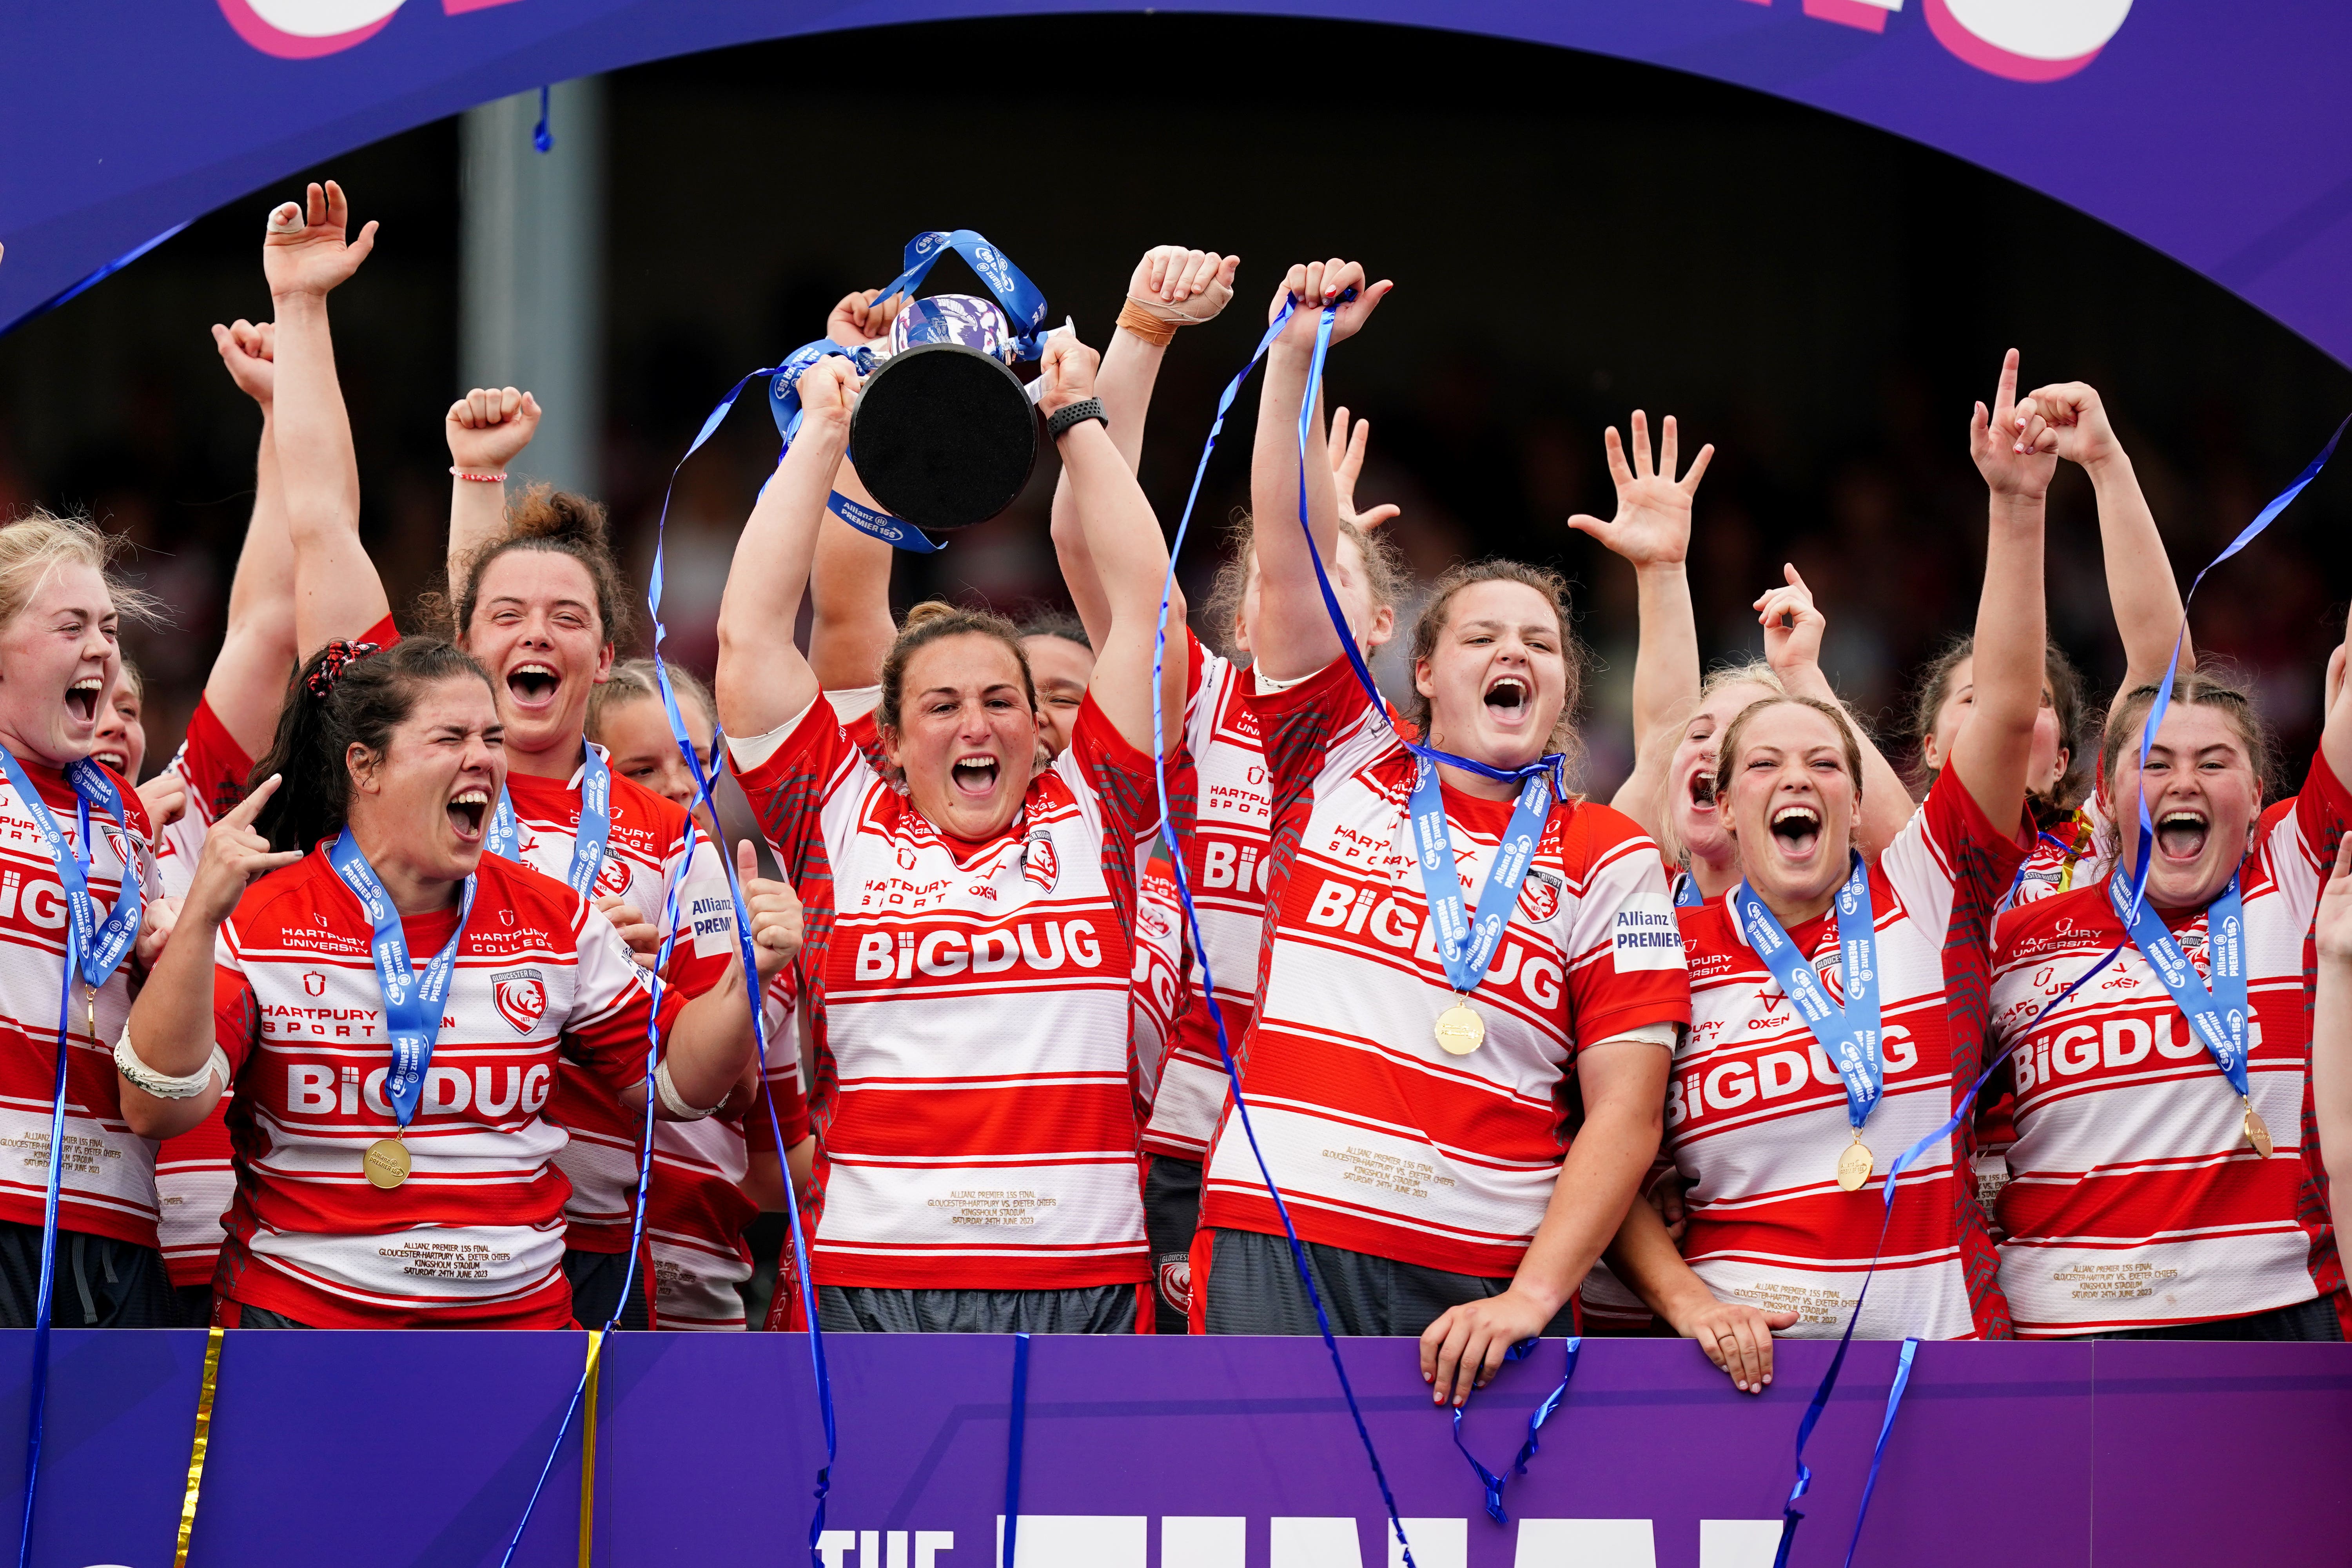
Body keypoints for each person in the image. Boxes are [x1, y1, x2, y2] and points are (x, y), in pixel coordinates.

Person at [1192, 259, 1688, 1412]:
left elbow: (1625, 1108)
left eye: (1542, 644)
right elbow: (1291, 554)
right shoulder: (1340, 759)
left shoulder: (1606, 852)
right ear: (1421, 669)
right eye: (1480, 638)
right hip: (1287, 1230)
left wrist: (1532, 1293)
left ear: (1567, 693)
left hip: (1483, 1264)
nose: (1513, 655)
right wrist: (1296, 363)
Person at [114, 637, 798, 1328]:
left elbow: (679, 1085)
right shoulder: (265, 916)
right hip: (307, 1331)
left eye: (493, 738)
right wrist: (200, 915)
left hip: (516, 1338)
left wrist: (745, 981)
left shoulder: (557, 918)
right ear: (366, 766)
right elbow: (156, 1107)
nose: (485, 758)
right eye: (451, 737)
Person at [1600, 351, 2050, 1389]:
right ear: (1725, 798)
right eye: (1762, 764)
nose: (1792, 778)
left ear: (1857, 800)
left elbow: (2010, 711)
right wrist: (1692, 1302)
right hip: (1739, 1381)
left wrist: (2019, 509)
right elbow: (1597, 1157)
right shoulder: (1657, 946)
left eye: (1821, 763)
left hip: (1943, 1374)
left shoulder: (1925, 899)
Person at [717, 330, 1180, 1334]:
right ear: (886, 736)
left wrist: (1078, 424)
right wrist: (826, 434)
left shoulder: (1096, 806)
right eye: (941, 705)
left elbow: (1148, 607)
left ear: (1041, 724)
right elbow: (752, 634)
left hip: (1082, 1283)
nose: (976, 724)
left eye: (1000, 701)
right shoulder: (835, 811)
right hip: (864, 1281)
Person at [439, 392, 755, 1327]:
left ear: (606, 654)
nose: (536, 634)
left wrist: (634, 982)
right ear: (463, 648)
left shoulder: (667, 834)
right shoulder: (401, 804)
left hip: (594, 1238)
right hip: (417, 1216)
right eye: (509, 618)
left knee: (586, 1478)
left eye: (567, 618)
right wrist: (477, 474)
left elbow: (717, 1083)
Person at [149, 183, 408, 1325]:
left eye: (120, 677)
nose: (115, 707)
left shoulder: (200, 811)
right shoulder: (160, 822)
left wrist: (285, 394)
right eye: (89, 681)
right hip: (136, 1253)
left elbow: (283, 596)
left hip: (316, 1273)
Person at [1986, 619, 2352, 1338]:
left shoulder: (2292, 871)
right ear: (2108, 796)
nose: (2184, 780)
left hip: (2276, 1310)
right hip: (2065, 1329)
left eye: (2214, 764)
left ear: (2255, 798)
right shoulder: (2015, 935)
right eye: (2154, 764)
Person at [584, 659, 812, 1328]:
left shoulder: (772, 931)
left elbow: (772, 1152)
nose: (680, 786)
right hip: (582, 1270)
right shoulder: (574, 917)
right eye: (642, 771)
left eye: (698, 759)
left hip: (707, 1284)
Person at [1908, 378, 2188, 909]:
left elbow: (2164, 677)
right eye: (1972, 700)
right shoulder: (1893, 860)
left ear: (2063, 759)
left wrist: (2106, 462)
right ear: (1931, 749)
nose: (2006, 712)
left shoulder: (2101, 843)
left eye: (2039, 702)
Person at [0, 512, 172, 1327]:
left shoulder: (126, 819)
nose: (103, 648)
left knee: (118, 1457)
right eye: (72, 625)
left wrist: (176, 949)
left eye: (108, 626)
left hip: (111, 1211)